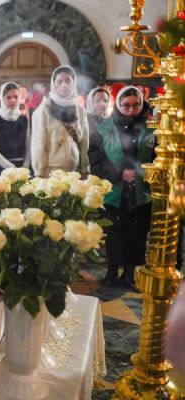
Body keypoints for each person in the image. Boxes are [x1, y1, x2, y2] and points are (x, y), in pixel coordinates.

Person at [88, 86, 154, 290]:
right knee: (115, 235)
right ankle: (111, 272)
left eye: (136, 105)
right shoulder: (104, 129)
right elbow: (96, 162)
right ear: (117, 105)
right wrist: (120, 174)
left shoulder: (151, 128)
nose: (131, 110)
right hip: (115, 193)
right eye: (126, 106)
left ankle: (129, 275)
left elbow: (157, 158)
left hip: (141, 193)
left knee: (137, 235)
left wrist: (144, 174)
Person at [31, 65, 90, 178]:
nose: (64, 85)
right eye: (59, 81)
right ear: (54, 85)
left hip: (74, 170)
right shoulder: (44, 110)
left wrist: (84, 168)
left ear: (74, 83)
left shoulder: (80, 111)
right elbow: (38, 145)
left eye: (68, 81)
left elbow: (84, 142)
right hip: (50, 171)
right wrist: (39, 173)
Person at [0, 81, 30, 175]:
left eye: (16, 97)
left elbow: (28, 146)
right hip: (0, 169)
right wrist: (11, 168)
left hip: (21, 169)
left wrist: (25, 167)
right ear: (2, 99)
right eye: (9, 97)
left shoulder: (24, 120)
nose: (13, 100)